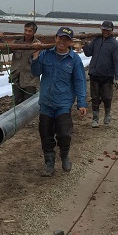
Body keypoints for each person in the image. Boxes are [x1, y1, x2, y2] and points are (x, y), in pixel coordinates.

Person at [30, 26, 87, 176]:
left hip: (63, 103)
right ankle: (49, 164)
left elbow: (80, 81)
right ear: (55, 38)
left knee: (64, 133)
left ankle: (64, 155)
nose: (62, 41)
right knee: (45, 134)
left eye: (66, 39)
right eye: (60, 38)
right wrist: (35, 55)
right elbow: (35, 72)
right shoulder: (45, 54)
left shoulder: (74, 59)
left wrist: (81, 103)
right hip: (46, 103)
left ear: (70, 42)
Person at [83, 20, 118, 127]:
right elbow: (88, 53)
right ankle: (95, 119)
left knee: (107, 97)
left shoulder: (115, 45)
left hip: (107, 76)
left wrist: (117, 77)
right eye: (104, 29)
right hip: (94, 74)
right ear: (101, 29)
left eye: (108, 30)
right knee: (95, 98)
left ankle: (107, 115)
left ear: (112, 31)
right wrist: (84, 44)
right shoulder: (96, 40)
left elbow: (117, 62)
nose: (106, 32)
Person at [0, 21, 41, 105]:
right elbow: (5, 51)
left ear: (34, 32)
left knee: (29, 103)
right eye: (26, 30)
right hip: (17, 77)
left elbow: (41, 63)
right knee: (17, 102)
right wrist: (0, 40)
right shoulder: (17, 42)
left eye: (30, 31)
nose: (27, 33)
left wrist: (37, 54)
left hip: (31, 80)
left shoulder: (38, 45)